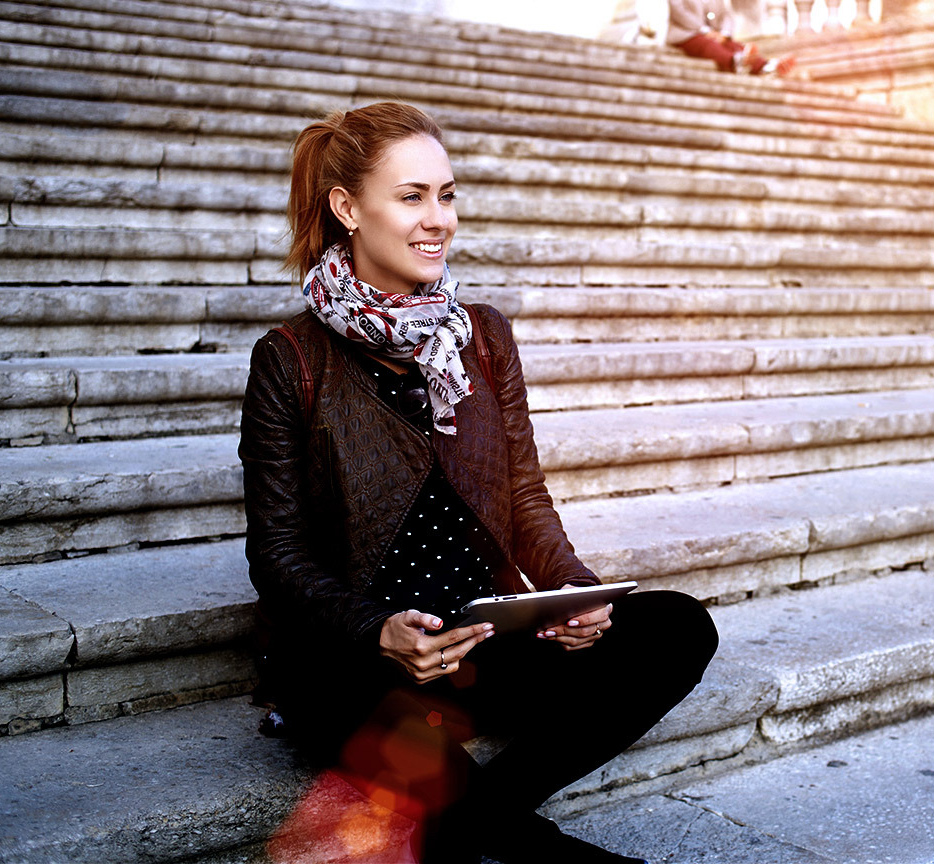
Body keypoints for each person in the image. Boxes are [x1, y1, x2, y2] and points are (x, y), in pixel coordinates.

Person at [239, 101, 718, 863]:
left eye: (448, 194)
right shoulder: (291, 358)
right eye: (411, 196)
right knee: (323, 691)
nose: (439, 220)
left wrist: (576, 591)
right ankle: (538, 852)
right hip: (371, 656)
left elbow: (524, 495)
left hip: (483, 635)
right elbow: (279, 556)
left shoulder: (482, 335)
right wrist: (376, 631)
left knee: (679, 627)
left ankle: (473, 821)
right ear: (347, 208)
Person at [667, 0, 795, 76]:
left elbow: (726, 16)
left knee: (734, 45)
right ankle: (735, 61)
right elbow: (679, 12)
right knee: (709, 46)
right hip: (686, 34)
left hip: (712, 35)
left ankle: (765, 66)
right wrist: (704, 31)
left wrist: (724, 33)